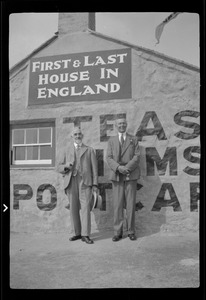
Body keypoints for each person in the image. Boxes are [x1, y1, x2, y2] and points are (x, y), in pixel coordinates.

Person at [56, 126, 98, 244]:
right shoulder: (66, 150)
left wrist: (95, 184)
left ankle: (86, 234)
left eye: (79, 134)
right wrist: (65, 167)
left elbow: (95, 169)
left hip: (85, 182)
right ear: (72, 136)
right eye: (75, 134)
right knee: (73, 208)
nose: (78, 136)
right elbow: (58, 166)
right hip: (71, 181)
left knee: (85, 208)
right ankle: (77, 233)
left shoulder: (89, 150)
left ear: (82, 136)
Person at [106, 117, 140, 242]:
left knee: (130, 204)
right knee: (118, 205)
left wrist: (127, 168)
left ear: (126, 125)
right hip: (117, 175)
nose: (122, 125)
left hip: (131, 175)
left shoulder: (134, 139)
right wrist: (119, 168)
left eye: (124, 123)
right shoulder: (111, 140)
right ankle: (117, 232)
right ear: (116, 125)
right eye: (119, 123)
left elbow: (137, 156)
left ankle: (131, 231)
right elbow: (108, 158)